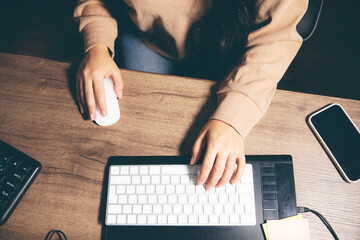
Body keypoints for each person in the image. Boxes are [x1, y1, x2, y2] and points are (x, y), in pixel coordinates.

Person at [74, 0, 308, 190]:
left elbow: (274, 38)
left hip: (235, 48)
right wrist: (97, 46)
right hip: (154, 40)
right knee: (142, 140)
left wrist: (233, 119)